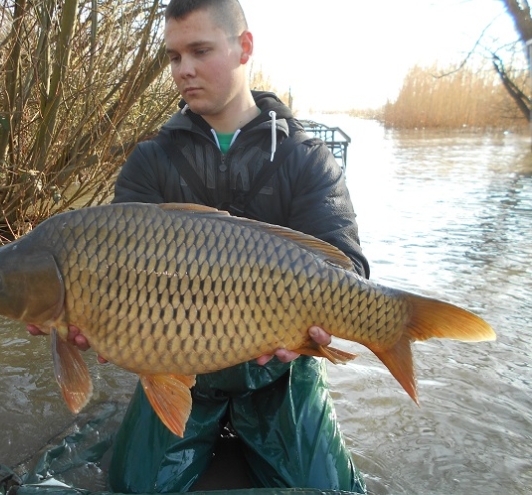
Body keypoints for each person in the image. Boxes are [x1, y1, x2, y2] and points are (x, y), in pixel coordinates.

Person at [30, 0, 368, 492]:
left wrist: (315, 331)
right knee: (134, 488)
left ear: (243, 47)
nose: (183, 69)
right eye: (173, 56)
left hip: (279, 374)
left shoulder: (305, 158)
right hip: (174, 362)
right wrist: (91, 319)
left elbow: (349, 268)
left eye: (199, 50)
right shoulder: (150, 161)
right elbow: (111, 269)